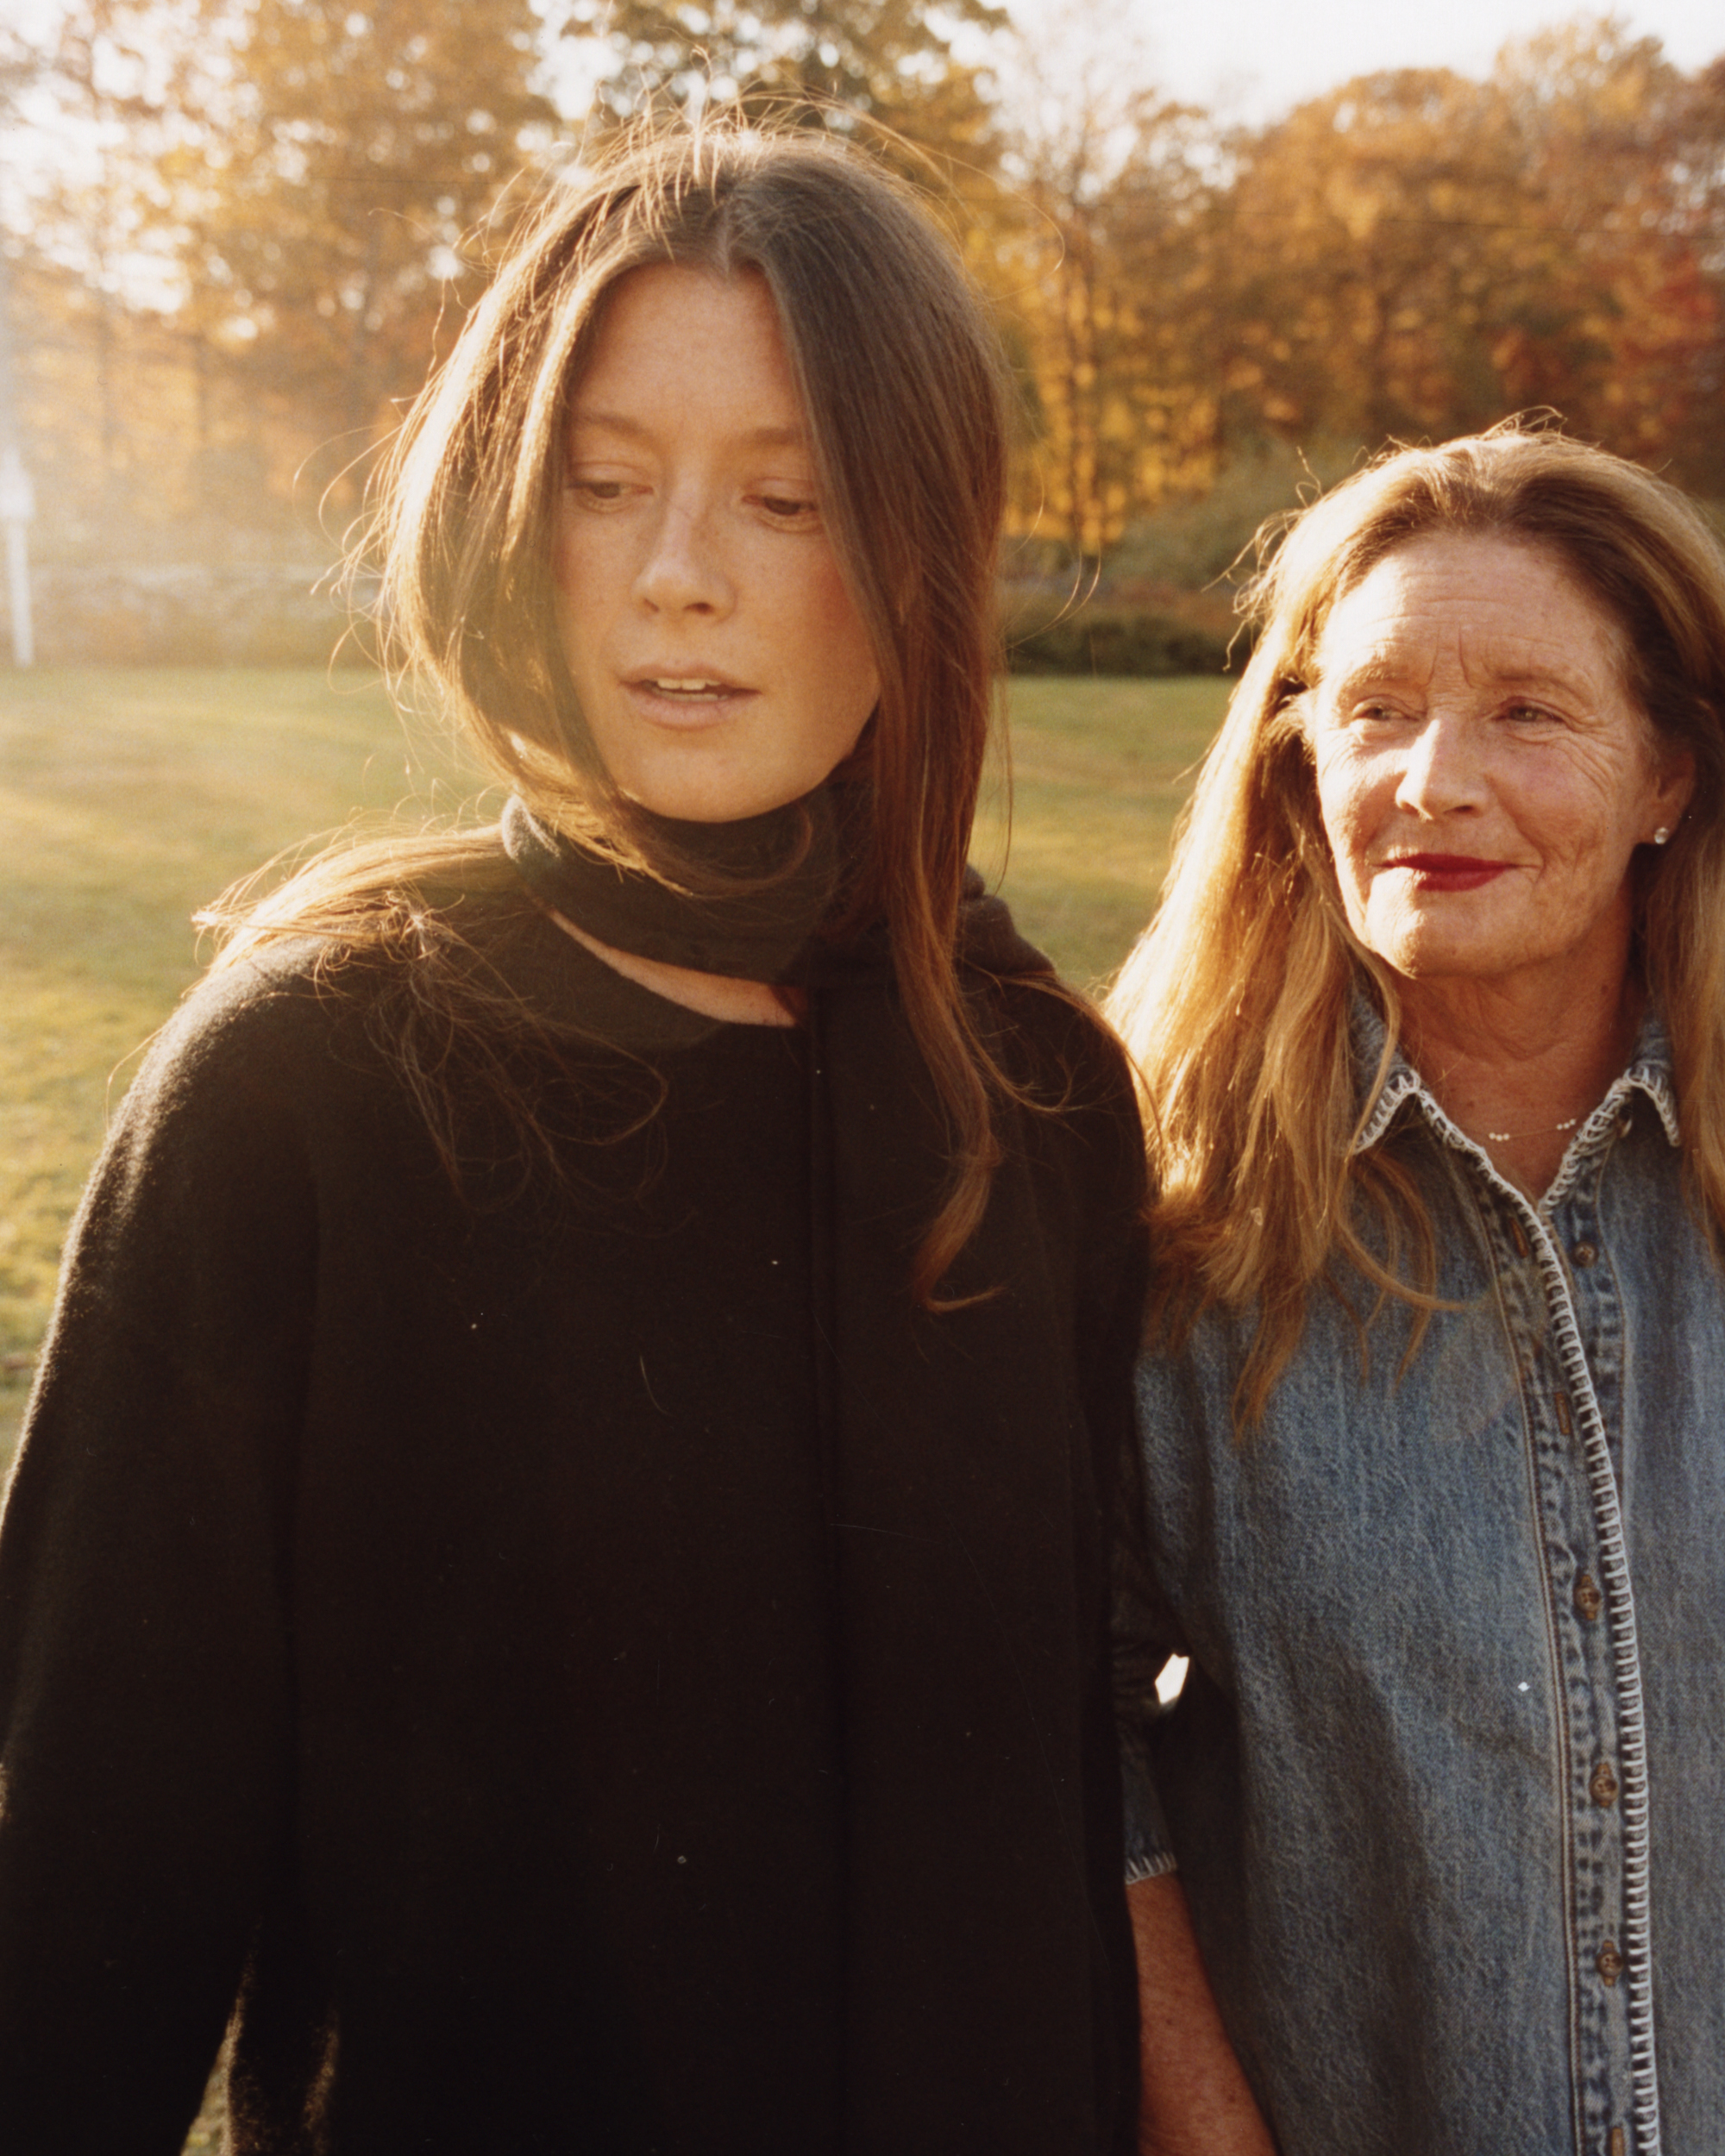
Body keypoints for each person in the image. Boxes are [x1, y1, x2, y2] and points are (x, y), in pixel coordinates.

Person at [0, 124, 1154, 2153]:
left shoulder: (1037, 1088)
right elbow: (83, 1880)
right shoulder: (304, 1084)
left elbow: (1085, 1798)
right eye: (604, 483)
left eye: (786, 496)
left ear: (921, 545)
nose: (677, 569)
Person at [1107, 422, 1725, 2154]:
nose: (1435, 782)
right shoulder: (1168, 1226)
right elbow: (1065, 1739)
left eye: (1528, 711)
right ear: (1300, 757)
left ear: (1669, 779)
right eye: (1378, 709)